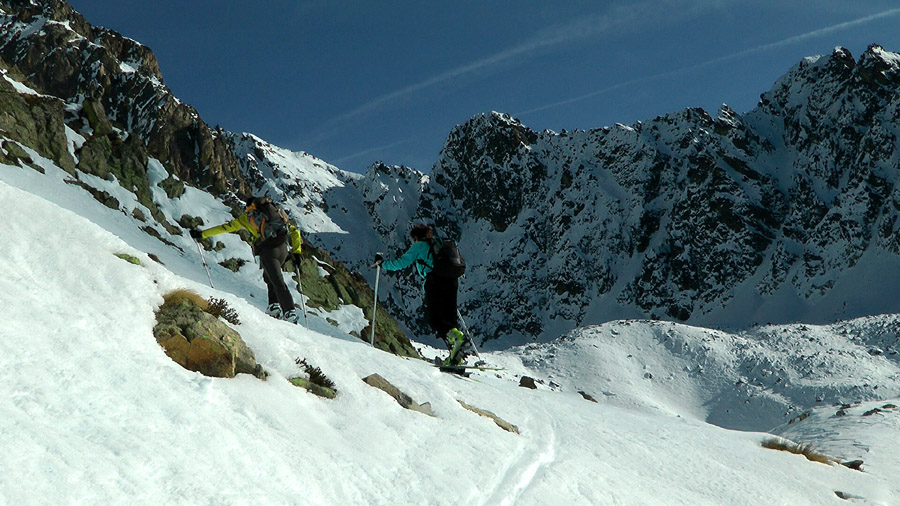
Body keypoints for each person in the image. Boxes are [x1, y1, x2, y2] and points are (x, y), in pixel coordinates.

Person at [191, 196, 303, 323]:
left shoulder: (247, 218)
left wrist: (202, 234)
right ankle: (274, 306)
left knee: (277, 280)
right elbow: (295, 232)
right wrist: (297, 252)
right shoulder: (277, 215)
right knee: (270, 276)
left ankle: (289, 312)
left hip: (268, 252)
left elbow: (226, 227)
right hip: (283, 249)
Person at [374, 224, 466, 366]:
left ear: (416, 236)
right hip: (452, 280)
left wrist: (383, 264)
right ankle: (456, 356)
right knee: (449, 316)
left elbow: (401, 263)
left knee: (436, 318)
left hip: (435, 281)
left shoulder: (420, 246)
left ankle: (455, 340)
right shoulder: (441, 243)